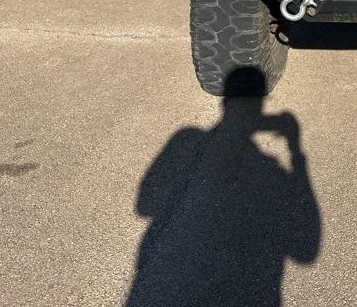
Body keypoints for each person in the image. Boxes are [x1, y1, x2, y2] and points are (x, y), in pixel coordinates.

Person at [125, 69, 320, 306]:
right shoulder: (272, 169)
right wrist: (296, 152)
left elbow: (145, 206)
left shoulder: (188, 135)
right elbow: (306, 251)